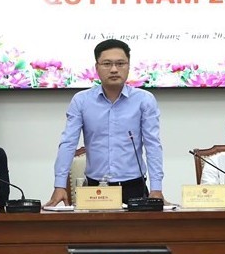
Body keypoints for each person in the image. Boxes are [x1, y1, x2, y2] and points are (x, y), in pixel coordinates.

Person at [46, 39, 164, 206]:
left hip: (134, 188)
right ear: (97, 67)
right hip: (95, 189)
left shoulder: (144, 100)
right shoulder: (81, 101)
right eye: (107, 64)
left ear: (129, 66)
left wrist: (156, 188)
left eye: (120, 63)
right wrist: (59, 185)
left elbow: (153, 145)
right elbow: (68, 143)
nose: (114, 69)